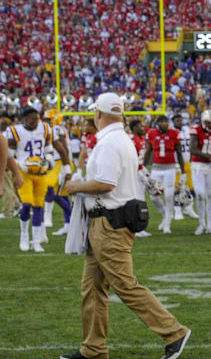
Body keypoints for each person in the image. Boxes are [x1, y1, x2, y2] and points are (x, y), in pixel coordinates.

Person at [61, 92, 191, 359]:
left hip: (110, 222)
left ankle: (173, 331)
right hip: (107, 220)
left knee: (124, 285)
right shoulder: (120, 139)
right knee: (93, 287)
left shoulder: (110, 143)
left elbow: (105, 184)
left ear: (98, 113)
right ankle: (93, 348)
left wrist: (74, 186)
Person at [7, 106, 72, 252]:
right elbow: (9, 154)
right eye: (32, 120)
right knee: (26, 205)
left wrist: (48, 160)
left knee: (38, 206)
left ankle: (36, 241)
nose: (35, 123)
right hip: (24, 172)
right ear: (24, 119)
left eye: (37, 119)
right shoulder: (15, 131)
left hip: (40, 171)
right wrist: (19, 165)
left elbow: (49, 149)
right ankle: (24, 235)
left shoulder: (44, 128)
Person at [144, 115, 185, 233]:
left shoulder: (174, 133)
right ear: (157, 123)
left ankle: (167, 224)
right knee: (153, 196)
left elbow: (179, 153)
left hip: (170, 169)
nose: (164, 124)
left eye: (166, 121)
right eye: (161, 121)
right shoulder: (151, 133)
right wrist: (143, 167)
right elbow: (148, 152)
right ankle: (165, 215)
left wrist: (183, 173)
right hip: (156, 169)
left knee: (168, 196)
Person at [189, 109, 211, 235]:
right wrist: (209, 156)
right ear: (204, 122)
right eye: (209, 123)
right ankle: (201, 224)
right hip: (198, 165)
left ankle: (210, 226)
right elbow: (192, 149)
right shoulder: (196, 130)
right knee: (200, 194)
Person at [172, 114, 198, 219]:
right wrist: (174, 162)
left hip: (187, 162)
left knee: (193, 188)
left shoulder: (187, 130)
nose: (179, 122)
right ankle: (177, 211)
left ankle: (189, 208)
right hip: (177, 164)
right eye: (177, 120)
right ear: (173, 121)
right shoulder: (171, 132)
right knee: (178, 189)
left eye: (180, 120)